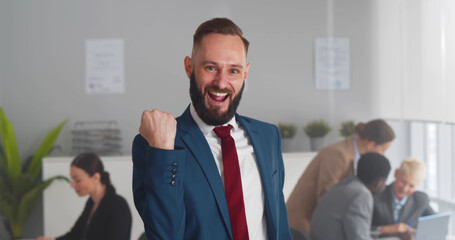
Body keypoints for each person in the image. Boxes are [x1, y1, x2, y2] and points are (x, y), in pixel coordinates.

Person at [132, 18, 292, 240]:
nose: (221, 82)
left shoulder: (267, 136)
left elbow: (280, 227)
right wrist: (163, 152)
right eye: (210, 67)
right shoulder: (157, 145)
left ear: (245, 73)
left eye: (233, 71)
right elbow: (165, 236)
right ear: (189, 67)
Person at [286, 119, 395, 234]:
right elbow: (326, 196)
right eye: (383, 150)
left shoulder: (355, 154)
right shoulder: (338, 154)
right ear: (371, 144)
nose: (383, 154)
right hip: (302, 221)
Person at [35, 152, 132, 240]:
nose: (72, 185)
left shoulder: (118, 206)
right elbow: (76, 234)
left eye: (77, 180)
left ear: (96, 177)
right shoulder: (91, 202)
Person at [309, 152, 391, 240]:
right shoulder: (361, 195)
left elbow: (358, 231)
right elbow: (359, 238)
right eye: (384, 182)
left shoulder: (346, 184)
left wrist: (384, 235)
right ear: (378, 183)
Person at [372, 158, 435, 236]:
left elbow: (437, 225)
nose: (405, 189)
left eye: (411, 186)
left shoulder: (421, 199)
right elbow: (362, 227)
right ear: (396, 173)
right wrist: (383, 229)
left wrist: (416, 232)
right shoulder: (376, 195)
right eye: (403, 182)